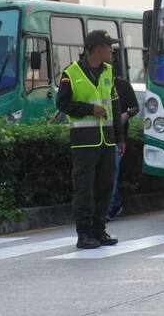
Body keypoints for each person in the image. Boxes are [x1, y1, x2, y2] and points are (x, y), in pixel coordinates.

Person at [56, 30, 126, 249]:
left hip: (107, 140)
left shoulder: (109, 72)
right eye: (109, 46)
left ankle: (99, 230)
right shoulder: (71, 73)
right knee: (84, 189)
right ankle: (84, 234)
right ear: (97, 49)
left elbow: (115, 106)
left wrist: (120, 137)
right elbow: (62, 104)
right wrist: (89, 109)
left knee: (106, 187)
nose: (112, 51)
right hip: (84, 142)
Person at [107, 70, 140, 221]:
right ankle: (114, 204)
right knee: (105, 174)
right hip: (97, 138)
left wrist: (126, 115)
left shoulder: (122, 85)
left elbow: (135, 107)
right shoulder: (93, 85)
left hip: (117, 137)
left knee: (111, 172)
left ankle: (108, 209)